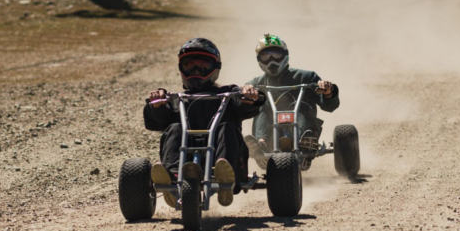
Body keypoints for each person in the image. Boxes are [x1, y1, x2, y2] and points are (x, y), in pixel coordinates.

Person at [144, 38, 264, 207]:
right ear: (181, 68)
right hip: (183, 157)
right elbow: (155, 122)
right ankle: (173, 177)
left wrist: (250, 96)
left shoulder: (228, 94)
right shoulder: (176, 99)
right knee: (174, 128)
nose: (196, 70)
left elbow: (251, 106)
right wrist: (157, 104)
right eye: (189, 65)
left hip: (226, 155)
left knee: (226, 127)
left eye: (202, 65)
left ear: (215, 68)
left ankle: (225, 176)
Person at [245, 33, 339, 167]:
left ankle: (305, 143)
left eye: (276, 55)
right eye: (266, 56)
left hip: (302, 126)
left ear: (285, 55)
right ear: (260, 60)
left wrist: (329, 92)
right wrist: (245, 94)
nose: (272, 61)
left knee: (299, 105)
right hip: (270, 134)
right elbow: (240, 109)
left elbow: (330, 106)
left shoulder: (306, 77)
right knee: (262, 108)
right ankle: (261, 145)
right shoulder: (255, 84)